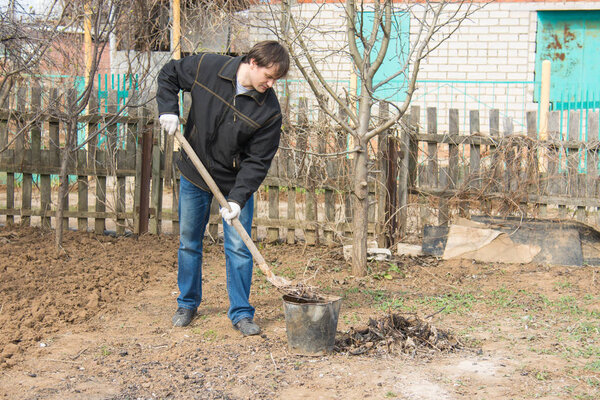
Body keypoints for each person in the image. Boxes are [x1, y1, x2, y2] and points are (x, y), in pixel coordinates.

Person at [156, 41, 290, 336]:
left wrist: (238, 200)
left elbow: (258, 161)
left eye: (275, 80)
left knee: (239, 248)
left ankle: (241, 313)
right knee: (189, 242)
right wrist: (168, 109)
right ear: (253, 62)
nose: (270, 84)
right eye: (268, 76)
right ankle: (187, 303)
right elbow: (169, 74)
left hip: (232, 185)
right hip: (195, 174)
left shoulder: (268, 111)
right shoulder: (209, 67)